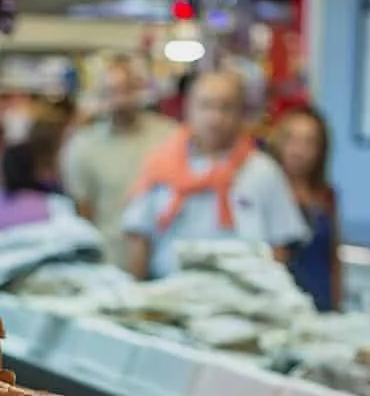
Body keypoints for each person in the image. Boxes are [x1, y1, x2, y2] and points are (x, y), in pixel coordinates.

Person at [121, 71, 307, 281]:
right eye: (206, 105)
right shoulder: (158, 166)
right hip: (169, 295)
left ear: (241, 113)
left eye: (226, 107)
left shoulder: (262, 171)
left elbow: (279, 246)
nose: (216, 117)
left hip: (242, 300)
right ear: (188, 109)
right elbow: (139, 239)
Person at [63, 56, 178, 269]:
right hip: (110, 261)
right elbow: (84, 212)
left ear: (141, 91)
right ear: (99, 96)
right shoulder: (84, 146)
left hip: (163, 260)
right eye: (111, 92)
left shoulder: (170, 136)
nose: (120, 101)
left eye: (127, 90)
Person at [269, 105, 340, 311]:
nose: (299, 150)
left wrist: (337, 304)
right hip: (280, 305)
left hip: (320, 301)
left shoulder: (326, 195)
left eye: (309, 142)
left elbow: (333, 256)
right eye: (292, 139)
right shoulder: (266, 190)